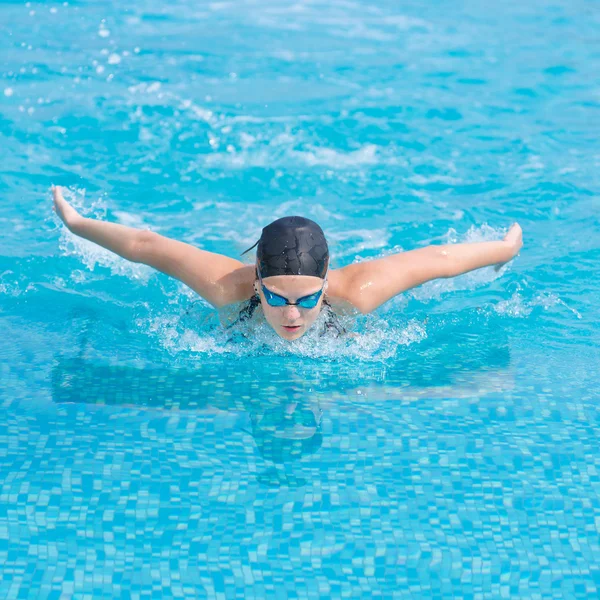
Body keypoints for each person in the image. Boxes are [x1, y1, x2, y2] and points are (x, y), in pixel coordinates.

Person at [52, 185, 523, 340]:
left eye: (306, 299)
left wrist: (503, 250)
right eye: (275, 297)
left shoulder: (360, 290)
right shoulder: (225, 285)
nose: (291, 314)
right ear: (257, 282)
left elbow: (439, 261)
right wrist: (77, 224)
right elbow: (145, 246)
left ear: (325, 283)